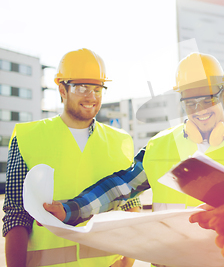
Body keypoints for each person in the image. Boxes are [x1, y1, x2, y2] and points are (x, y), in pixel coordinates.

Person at [43, 53, 224, 227]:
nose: (199, 110)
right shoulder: (160, 146)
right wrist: (70, 210)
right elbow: (119, 188)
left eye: (207, 100)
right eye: (190, 103)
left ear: (223, 95)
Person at [2, 48, 140, 267]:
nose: (91, 96)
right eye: (82, 87)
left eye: (97, 88)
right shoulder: (28, 138)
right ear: (62, 90)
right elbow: (16, 215)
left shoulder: (120, 141)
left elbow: (130, 206)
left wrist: (126, 262)